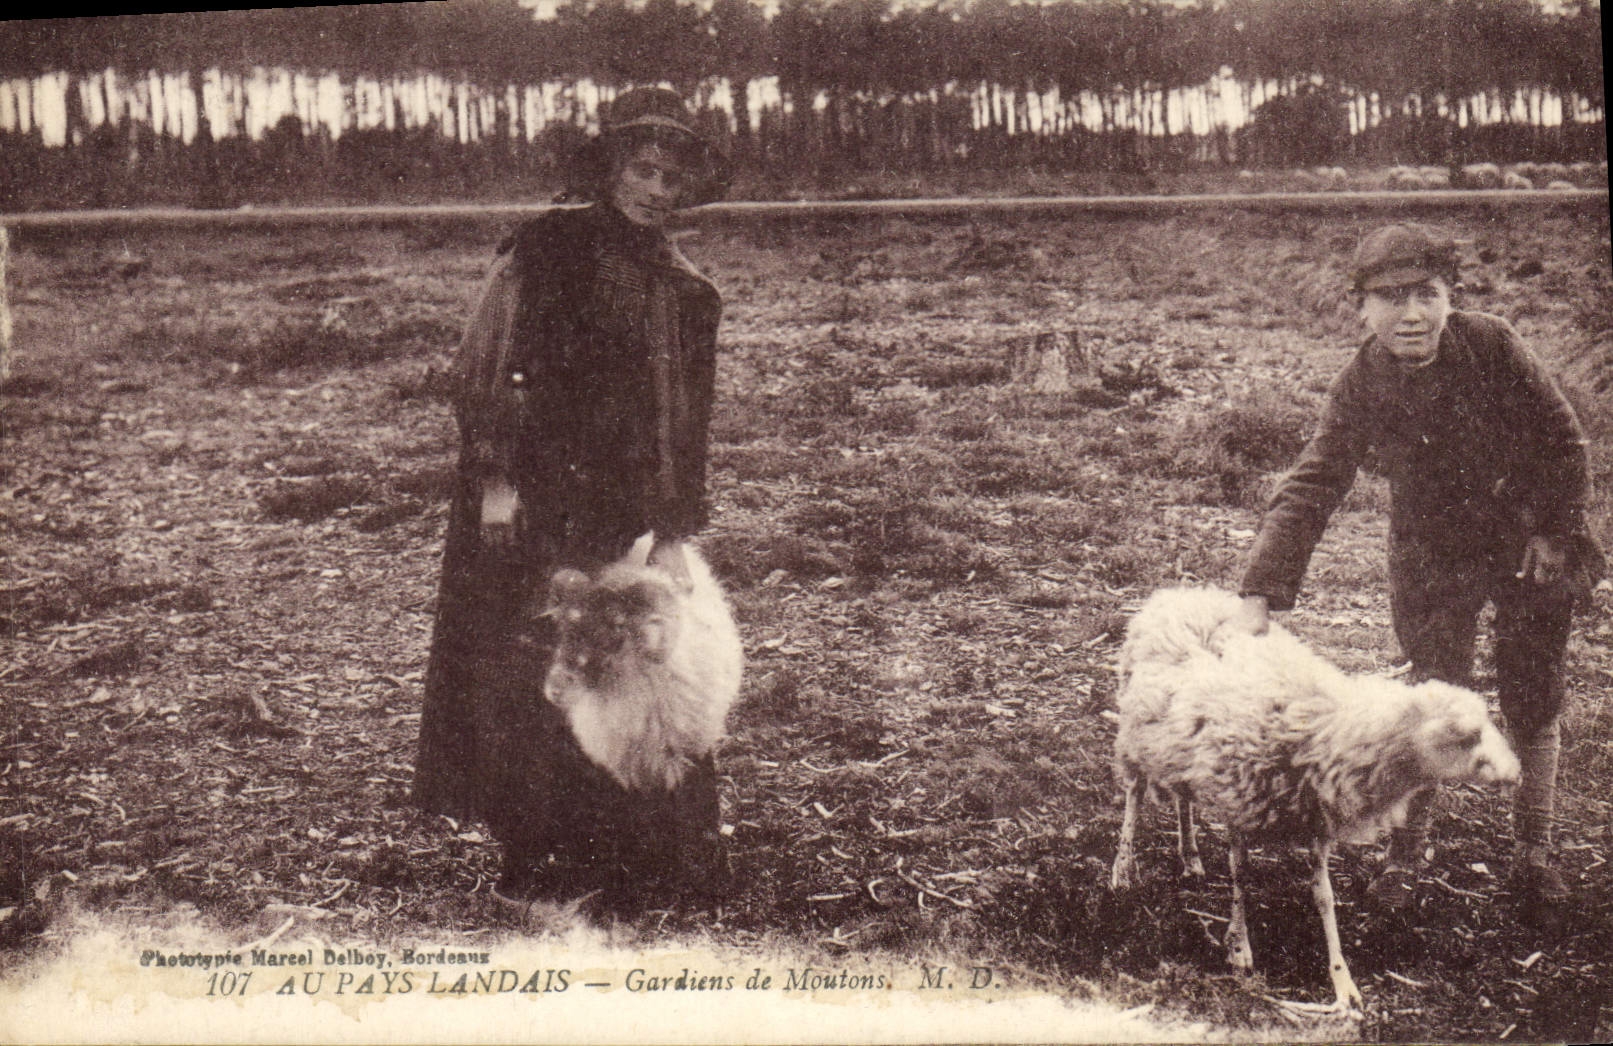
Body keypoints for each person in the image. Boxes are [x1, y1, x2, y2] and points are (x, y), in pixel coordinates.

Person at [412, 87, 731, 909]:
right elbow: (488, 375)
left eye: (671, 177)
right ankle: (533, 861)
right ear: (608, 168)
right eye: (641, 169)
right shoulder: (547, 249)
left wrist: (670, 530)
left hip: (624, 507)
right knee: (532, 670)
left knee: (630, 666)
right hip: (530, 497)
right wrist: (495, 489)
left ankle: (634, 854)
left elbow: (684, 424)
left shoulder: (686, 290)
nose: (656, 190)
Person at [1234, 222, 1605, 914]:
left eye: (1426, 295)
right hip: (1431, 549)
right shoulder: (1359, 385)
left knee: (1531, 695)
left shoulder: (1491, 344)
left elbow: (1563, 440)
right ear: (1361, 308)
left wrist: (1556, 533)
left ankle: (1533, 853)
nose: (1411, 315)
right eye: (1390, 298)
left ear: (1449, 298)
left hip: (1528, 537)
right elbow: (1313, 482)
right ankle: (1407, 857)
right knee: (1434, 696)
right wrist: (1260, 589)